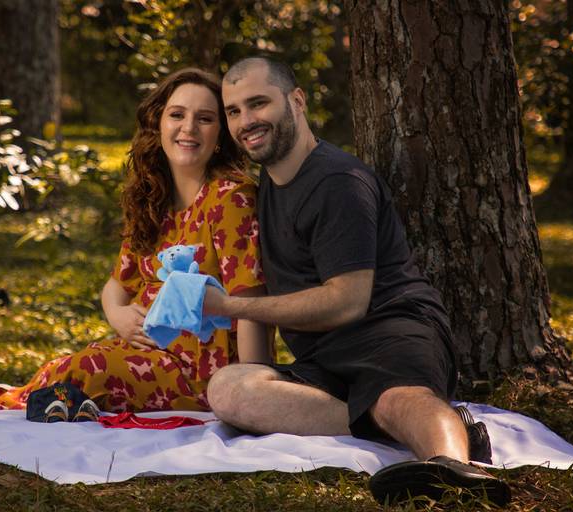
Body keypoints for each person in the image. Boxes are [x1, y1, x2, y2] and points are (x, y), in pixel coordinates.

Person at [202, 56, 511, 506]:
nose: (246, 121)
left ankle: (452, 467)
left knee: (393, 399)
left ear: (297, 101)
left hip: (390, 330)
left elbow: (346, 303)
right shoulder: (268, 185)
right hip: (326, 358)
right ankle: (449, 429)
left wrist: (229, 306)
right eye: (233, 111)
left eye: (258, 104)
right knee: (228, 389)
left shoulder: (338, 182)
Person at [0, 68, 269, 413]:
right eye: (177, 115)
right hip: (146, 355)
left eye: (205, 119)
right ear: (158, 123)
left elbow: (250, 299)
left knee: (88, 369)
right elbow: (117, 284)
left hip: (203, 371)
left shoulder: (230, 198)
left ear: (221, 133)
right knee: (82, 363)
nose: (188, 128)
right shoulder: (153, 196)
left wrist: (250, 391)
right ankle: (7, 393)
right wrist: (118, 314)